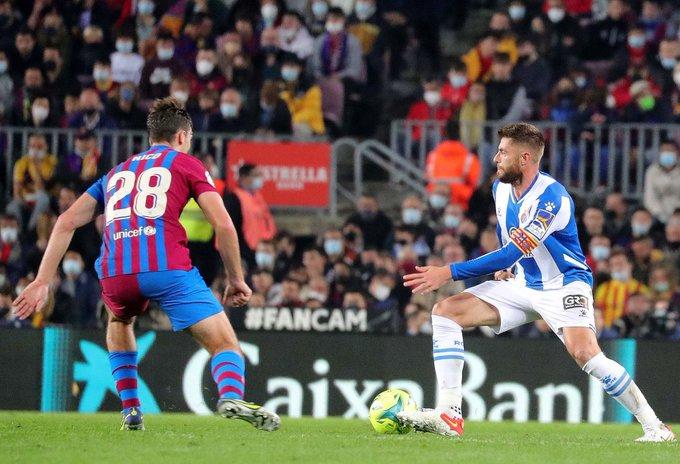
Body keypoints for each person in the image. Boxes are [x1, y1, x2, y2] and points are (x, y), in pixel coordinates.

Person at [13, 97, 280, 432]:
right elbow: (224, 225)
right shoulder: (188, 165)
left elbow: (66, 221)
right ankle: (230, 396)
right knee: (225, 345)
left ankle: (131, 410)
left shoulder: (116, 173)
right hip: (167, 268)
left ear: (152, 136)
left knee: (119, 320)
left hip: (115, 273)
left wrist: (41, 280)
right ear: (182, 137)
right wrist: (235, 278)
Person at [399, 123, 675, 442]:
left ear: (525, 157)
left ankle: (654, 426)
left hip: (564, 285)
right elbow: (508, 238)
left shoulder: (551, 199)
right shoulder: (499, 189)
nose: (496, 159)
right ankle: (449, 414)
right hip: (522, 283)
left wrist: (448, 271)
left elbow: (509, 251)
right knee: (446, 312)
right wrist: (510, 267)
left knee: (586, 354)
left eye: (503, 152)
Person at [224, 163, 277, 266]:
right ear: (244, 178)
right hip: (243, 250)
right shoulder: (234, 198)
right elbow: (233, 227)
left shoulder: (257, 197)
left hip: (260, 249)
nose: (259, 178)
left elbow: (266, 221)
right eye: (255, 175)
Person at [643, 140, 680, 223]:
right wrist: (659, 214)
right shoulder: (652, 171)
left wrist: (677, 214)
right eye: (664, 151)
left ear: (677, 153)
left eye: (670, 151)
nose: (667, 153)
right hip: (657, 216)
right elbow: (650, 197)